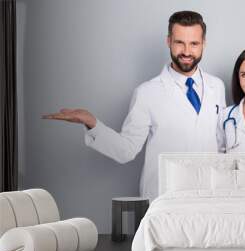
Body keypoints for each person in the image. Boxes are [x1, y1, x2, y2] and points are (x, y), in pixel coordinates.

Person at [43, 11, 226, 201]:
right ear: (169, 41)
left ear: (203, 42)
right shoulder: (147, 93)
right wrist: (92, 124)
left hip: (208, 196)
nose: (187, 51)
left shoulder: (217, 87)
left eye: (194, 43)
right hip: (164, 197)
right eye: (180, 42)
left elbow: (221, 145)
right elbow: (126, 150)